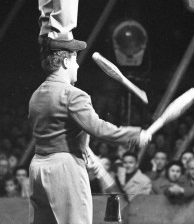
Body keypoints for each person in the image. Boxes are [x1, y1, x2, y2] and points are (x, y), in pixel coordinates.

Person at [28, 48, 151, 224]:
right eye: (75, 60)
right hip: (65, 167)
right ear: (65, 62)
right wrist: (136, 134)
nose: (77, 65)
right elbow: (100, 129)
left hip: (38, 167)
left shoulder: (36, 94)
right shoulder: (73, 94)